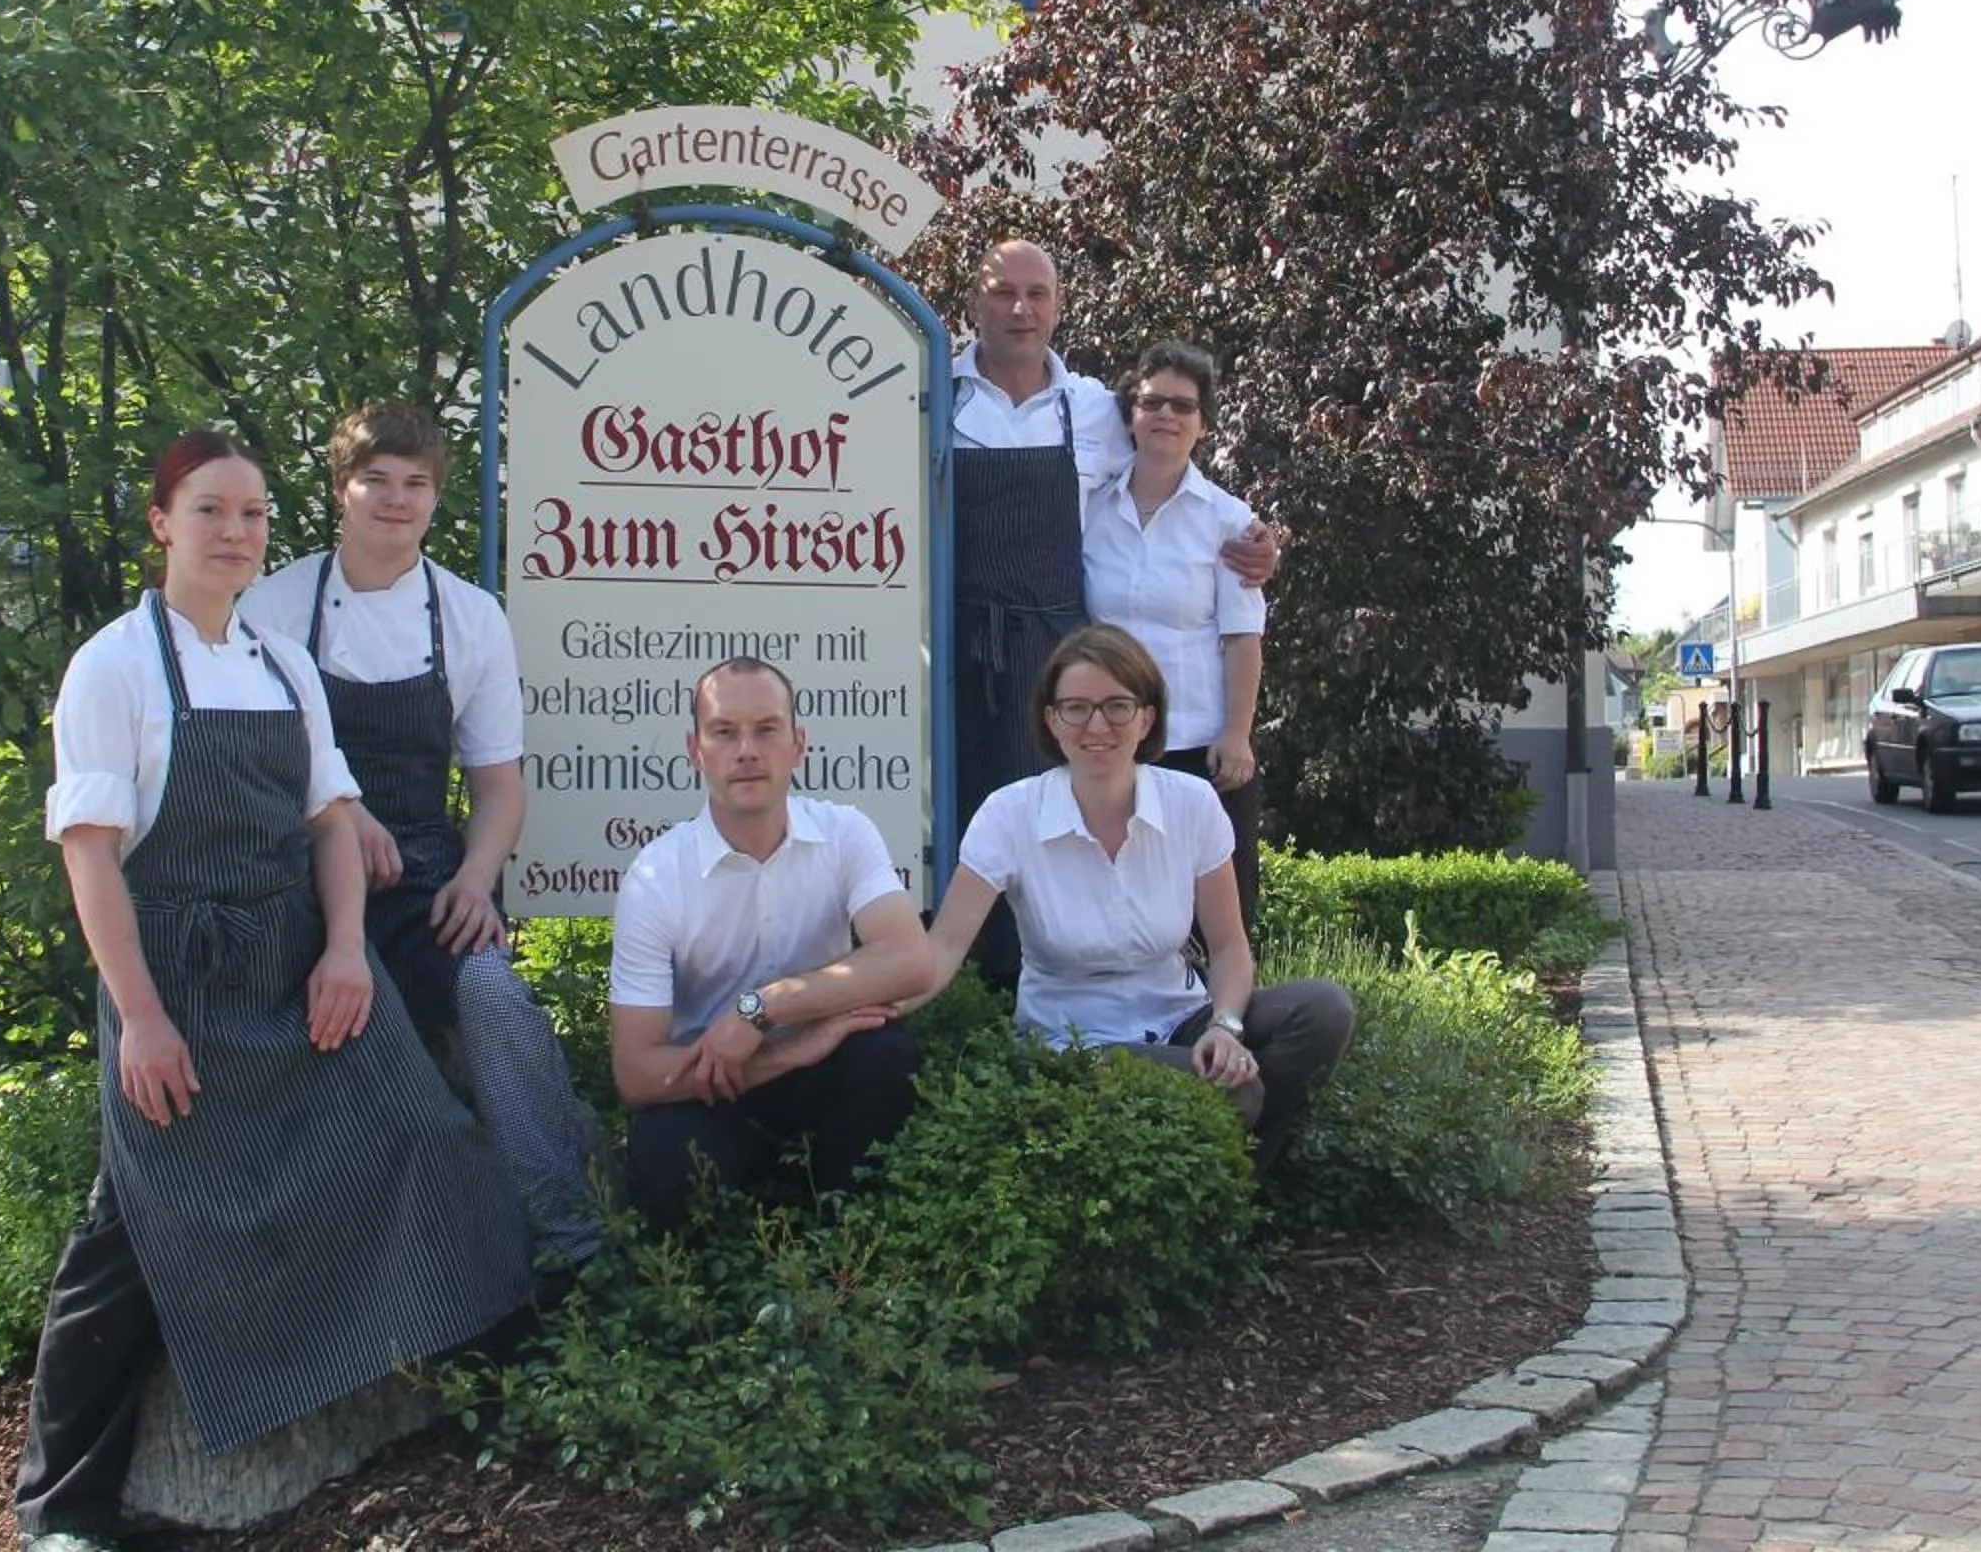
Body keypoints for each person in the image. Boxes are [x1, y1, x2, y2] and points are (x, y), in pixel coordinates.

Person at [16, 432, 533, 1552]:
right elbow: (92, 857)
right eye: (210, 511)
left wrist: (347, 947)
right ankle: (61, 1508)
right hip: (177, 983)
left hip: (302, 969)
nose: (235, 532)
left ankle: (513, 1399)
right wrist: (140, 1020)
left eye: (251, 513)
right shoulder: (113, 665)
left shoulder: (280, 665)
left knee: (422, 1133)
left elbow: (332, 823)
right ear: (162, 523)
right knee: (132, 1228)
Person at [241, 402, 603, 1267]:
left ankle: (567, 1233)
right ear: (341, 489)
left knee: (492, 996)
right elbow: (254, 765)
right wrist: (341, 810)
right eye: (377, 481)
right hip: (292, 872)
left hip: (424, 874)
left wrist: (476, 880)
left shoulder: (470, 615)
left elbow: (499, 784)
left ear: (436, 498)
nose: (396, 501)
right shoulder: (274, 606)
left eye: (417, 484)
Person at [950, 240, 1279, 982]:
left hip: (1056, 658)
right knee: (979, 818)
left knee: (1080, 837)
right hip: (960, 645)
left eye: (1038, 294)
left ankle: (1178, 1011)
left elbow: (1191, 510)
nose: (1021, 309)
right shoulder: (935, 397)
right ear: (975, 303)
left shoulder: (1093, 408)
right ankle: (985, 985)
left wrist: (1263, 548)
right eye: (1004, 292)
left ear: (1060, 306)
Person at [917, 624, 1352, 1168]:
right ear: (1051, 720)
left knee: (1323, 1009)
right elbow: (943, 950)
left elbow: (1229, 948)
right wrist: (860, 1005)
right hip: (1074, 1043)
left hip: (1181, 1019)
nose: (1096, 725)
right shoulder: (1009, 815)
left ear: (1147, 717)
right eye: (1075, 708)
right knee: (1236, 1091)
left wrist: (1224, 1026)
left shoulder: (1191, 804)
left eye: (1118, 707)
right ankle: (1231, 1197)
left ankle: (1234, 1183)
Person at [607, 657, 934, 1229]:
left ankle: (851, 1248)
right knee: (663, 1162)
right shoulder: (656, 878)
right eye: (725, 732)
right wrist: (784, 1052)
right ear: (695, 750)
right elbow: (636, 1074)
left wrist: (762, 1009)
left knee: (888, 1056)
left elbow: (912, 961)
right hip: (714, 1087)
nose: (747, 751)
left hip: (825, 1075)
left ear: (799, 743)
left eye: (766, 729)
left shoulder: (845, 834)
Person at [1082, 341, 1268, 937]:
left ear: (1203, 424)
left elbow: (1243, 636)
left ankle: (1223, 1025)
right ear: (1130, 415)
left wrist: (1237, 734)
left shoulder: (1230, 522)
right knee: (1119, 907)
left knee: (1214, 918)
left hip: (1196, 749)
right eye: (1152, 401)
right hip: (1108, 746)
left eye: (1183, 406)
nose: (1167, 415)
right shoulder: (1088, 511)